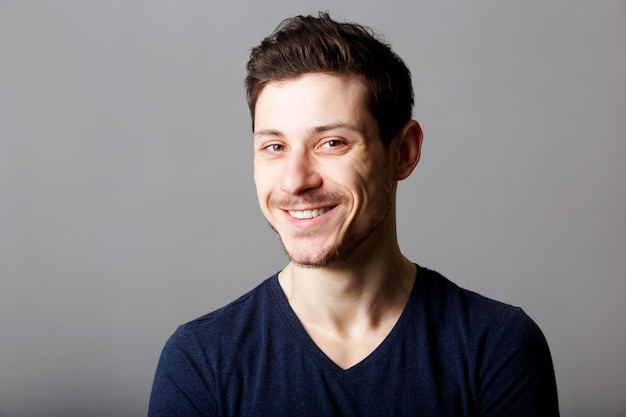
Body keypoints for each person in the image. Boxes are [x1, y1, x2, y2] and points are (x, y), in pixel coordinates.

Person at [148, 12, 559, 416]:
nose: (295, 181)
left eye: (332, 143)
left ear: (403, 152)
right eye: (274, 147)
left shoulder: (496, 346)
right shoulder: (201, 360)